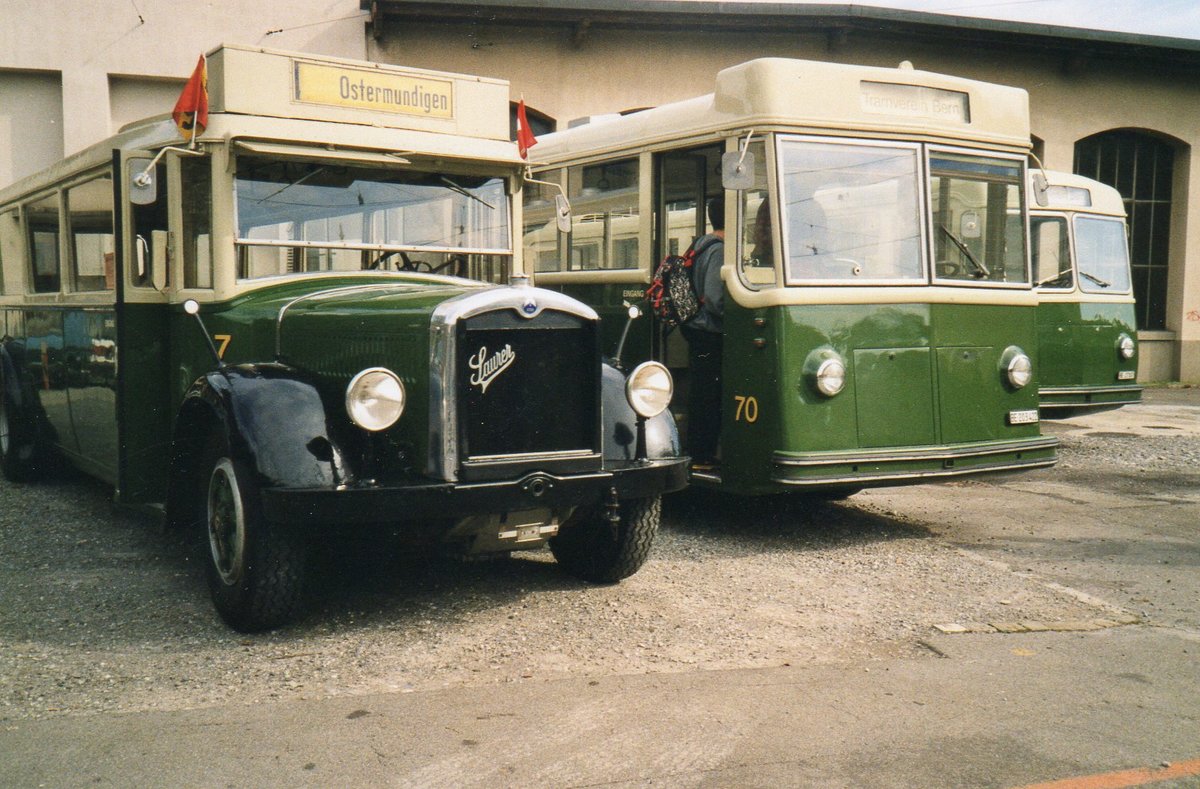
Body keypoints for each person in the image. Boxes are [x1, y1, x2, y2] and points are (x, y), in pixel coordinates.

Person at [680, 196, 725, 469]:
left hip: (695, 328)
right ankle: (702, 454)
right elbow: (715, 298)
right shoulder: (719, 250)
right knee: (710, 394)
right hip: (710, 330)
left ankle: (699, 451)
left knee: (702, 391)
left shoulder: (700, 244)